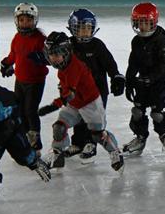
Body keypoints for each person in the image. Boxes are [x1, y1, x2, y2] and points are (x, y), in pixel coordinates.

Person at [37, 32, 124, 173]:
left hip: (90, 104)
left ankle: (115, 152)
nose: (53, 59)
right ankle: (57, 157)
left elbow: (70, 95)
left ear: (66, 52)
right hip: (75, 104)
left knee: (97, 134)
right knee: (59, 127)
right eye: (51, 54)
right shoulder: (63, 66)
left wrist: (53, 106)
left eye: (57, 54)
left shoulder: (75, 67)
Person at [62, 8, 125, 164]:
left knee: (93, 119)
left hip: (97, 90)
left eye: (88, 28)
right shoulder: (68, 45)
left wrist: (116, 76)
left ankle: (91, 144)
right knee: (78, 117)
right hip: (77, 90)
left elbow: (110, 64)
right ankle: (78, 143)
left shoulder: (97, 45)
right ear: (73, 28)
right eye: (81, 28)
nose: (85, 32)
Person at [0, 86, 51, 200]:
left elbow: (8, 128)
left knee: (24, 157)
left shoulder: (1, 104)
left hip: (12, 127)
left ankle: (35, 163)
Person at [122, 2, 165, 156]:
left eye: (146, 22)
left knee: (156, 113)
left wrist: (151, 78)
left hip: (161, 80)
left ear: (154, 22)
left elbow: (163, 65)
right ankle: (140, 139)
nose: (143, 26)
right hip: (143, 79)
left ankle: (164, 135)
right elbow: (133, 63)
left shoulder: (162, 41)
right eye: (140, 22)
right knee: (137, 110)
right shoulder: (136, 41)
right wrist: (129, 81)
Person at [0, 2, 48, 149]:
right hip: (20, 81)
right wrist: (7, 63)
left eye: (29, 20)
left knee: (30, 110)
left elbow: (52, 58)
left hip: (35, 82)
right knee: (20, 110)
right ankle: (26, 137)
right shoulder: (17, 38)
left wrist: (42, 58)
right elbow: (14, 54)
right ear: (17, 21)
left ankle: (35, 142)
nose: (25, 23)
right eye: (22, 20)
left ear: (35, 20)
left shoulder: (40, 39)